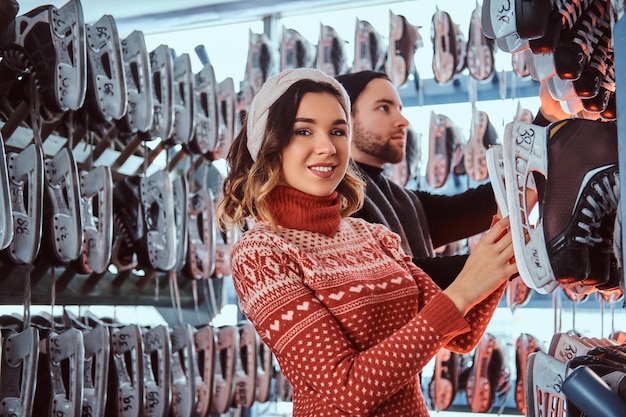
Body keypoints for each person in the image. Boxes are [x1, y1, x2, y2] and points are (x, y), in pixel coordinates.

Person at [216, 67, 518, 416]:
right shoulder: (261, 254)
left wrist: (510, 240)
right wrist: (465, 287)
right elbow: (350, 390)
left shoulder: (370, 235)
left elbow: (462, 335)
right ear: (270, 143)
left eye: (338, 131)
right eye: (303, 131)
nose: (327, 147)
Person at [335, 70, 499, 289]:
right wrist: (516, 261)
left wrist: (545, 122)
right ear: (345, 118)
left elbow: (477, 207)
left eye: (400, 109)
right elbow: (398, 274)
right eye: (384, 108)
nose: (403, 121)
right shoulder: (337, 197)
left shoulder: (403, 200)